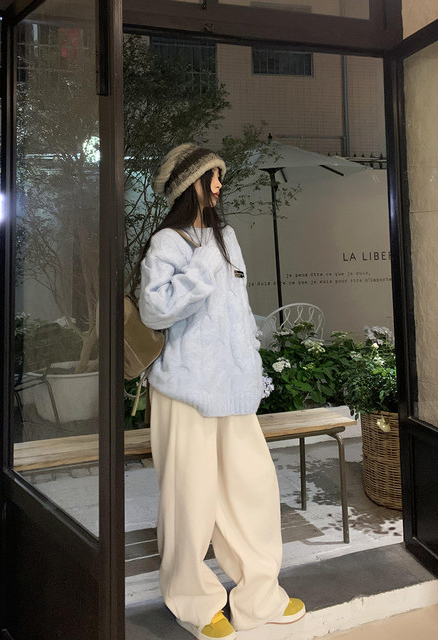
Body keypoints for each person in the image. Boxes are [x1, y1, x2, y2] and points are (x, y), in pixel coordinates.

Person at [139, 143, 305, 640]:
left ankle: (259, 599)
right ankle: (194, 604)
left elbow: (236, 310)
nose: (218, 184)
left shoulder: (226, 237)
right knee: (188, 500)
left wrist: (251, 365)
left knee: (253, 491)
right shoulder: (168, 242)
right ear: (189, 184)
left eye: (218, 175)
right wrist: (201, 268)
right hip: (185, 391)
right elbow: (154, 309)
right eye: (211, 176)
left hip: (232, 390)